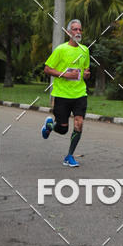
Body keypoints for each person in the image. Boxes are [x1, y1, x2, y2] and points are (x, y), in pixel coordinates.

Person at [41, 19, 91, 167]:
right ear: (69, 32)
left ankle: (69, 156)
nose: (78, 32)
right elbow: (47, 69)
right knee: (63, 129)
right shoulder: (60, 49)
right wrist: (64, 75)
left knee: (79, 123)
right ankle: (49, 127)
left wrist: (87, 74)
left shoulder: (85, 50)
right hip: (62, 94)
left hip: (80, 93)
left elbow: (86, 70)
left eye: (80, 30)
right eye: (75, 29)